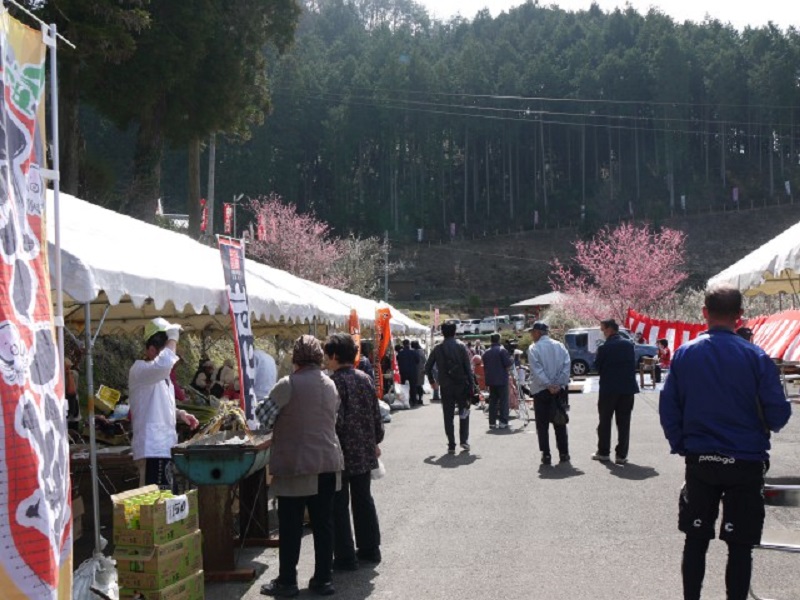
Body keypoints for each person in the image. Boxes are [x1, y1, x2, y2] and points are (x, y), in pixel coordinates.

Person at [659, 284, 791, 600]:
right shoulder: (756, 357)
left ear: (704, 313)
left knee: (695, 539)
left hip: (701, 459)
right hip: (746, 460)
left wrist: (682, 444)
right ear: (739, 316)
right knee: (740, 545)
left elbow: (669, 408)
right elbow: (778, 415)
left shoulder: (685, 354)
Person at [257, 335, 345, 598]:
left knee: (291, 525)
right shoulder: (330, 384)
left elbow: (263, 418)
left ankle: (287, 581)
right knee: (323, 524)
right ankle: (323, 579)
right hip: (328, 462)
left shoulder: (288, 384)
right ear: (319, 357)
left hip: (297, 463)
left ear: (295, 359)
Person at [324, 333, 384, 570]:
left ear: (335, 355)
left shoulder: (334, 382)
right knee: (363, 500)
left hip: (340, 452)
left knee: (339, 504)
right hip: (365, 450)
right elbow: (375, 415)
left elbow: (335, 420)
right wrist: (375, 440)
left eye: (328, 355)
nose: (327, 360)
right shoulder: (365, 378)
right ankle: (370, 549)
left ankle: (345, 556)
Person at [128, 318, 200, 490]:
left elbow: (159, 405)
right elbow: (165, 363)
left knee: (164, 505)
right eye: (165, 349)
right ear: (152, 350)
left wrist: (180, 414)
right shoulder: (140, 370)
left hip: (162, 447)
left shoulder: (160, 375)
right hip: (151, 449)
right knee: (155, 507)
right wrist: (173, 336)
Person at [593, 318, 640, 464]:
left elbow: (596, 367)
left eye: (603, 329)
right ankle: (621, 455)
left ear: (609, 329)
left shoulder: (604, 348)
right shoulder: (629, 345)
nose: (602, 332)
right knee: (624, 422)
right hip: (627, 388)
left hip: (609, 389)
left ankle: (604, 452)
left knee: (605, 421)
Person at [425, 322, 474, 453]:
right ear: (455, 331)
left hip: (446, 386)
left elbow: (427, 367)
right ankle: (464, 440)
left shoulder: (437, 348)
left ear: (442, 332)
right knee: (464, 413)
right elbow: (468, 369)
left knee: (448, 416)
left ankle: (451, 444)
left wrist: (432, 381)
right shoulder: (462, 346)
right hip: (462, 385)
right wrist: (472, 386)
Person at [527, 322, 571, 465]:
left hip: (541, 391)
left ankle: (546, 454)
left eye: (532, 332)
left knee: (542, 425)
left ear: (538, 333)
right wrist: (558, 384)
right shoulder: (560, 346)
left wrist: (548, 384)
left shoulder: (534, 348)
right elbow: (566, 366)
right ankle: (564, 453)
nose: (531, 335)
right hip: (559, 390)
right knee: (560, 421)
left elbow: (536, 370)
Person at [482, 333, 513, 430]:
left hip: (491, 380)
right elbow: (508, 365)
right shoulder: (502, 350)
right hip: (501, 379)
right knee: (504, 401)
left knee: (493, 402)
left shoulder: (486, 352)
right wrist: (512, 358)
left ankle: (492, 422)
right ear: (499, 340)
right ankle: (503, 422)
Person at [396, 339, 421, 406]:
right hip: (412, 371)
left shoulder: (400, 353)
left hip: (403, 372)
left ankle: (405, 400)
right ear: (409, 344)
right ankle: (414, 401)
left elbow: (397, 361)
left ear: (403, 344)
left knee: (403, 387)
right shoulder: (413, 352)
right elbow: (418, 361)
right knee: (413, 387)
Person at [411, 340, 427, 404]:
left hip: (414, 370)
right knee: (420, 385)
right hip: (421, 370)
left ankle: (416, 399)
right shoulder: (421, 351)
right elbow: (425, 360)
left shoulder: (412, 352)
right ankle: (420, 398)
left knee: (415, 385)